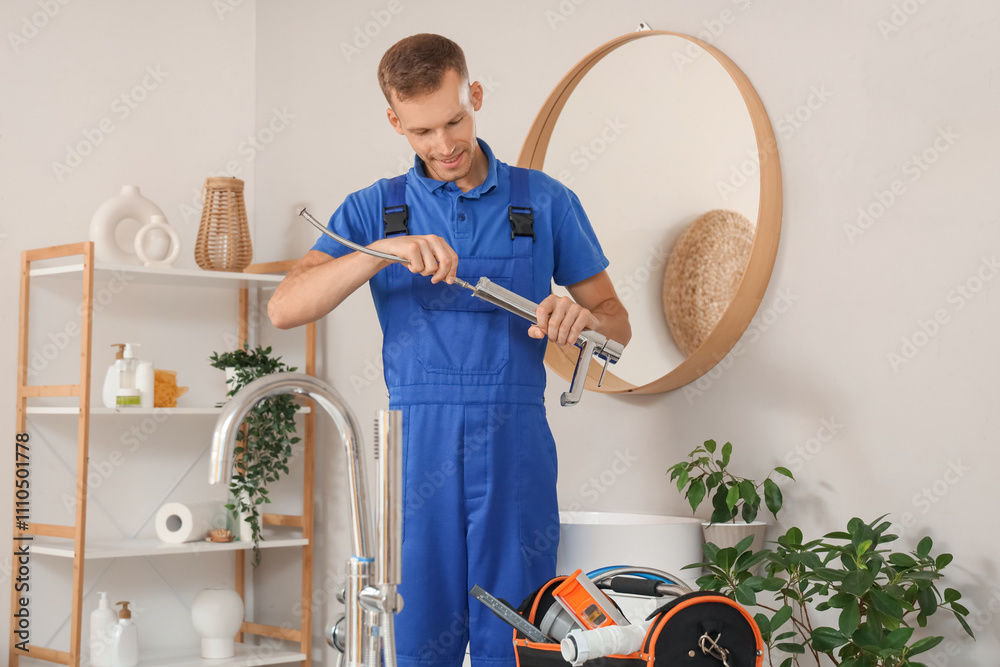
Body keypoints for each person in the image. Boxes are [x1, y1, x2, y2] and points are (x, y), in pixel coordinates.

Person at [269, 33, 630, 667]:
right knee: (415, 646)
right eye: (421, 132)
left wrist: (581, 316)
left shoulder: (543, 201)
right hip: (414, 458)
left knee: (516, 646)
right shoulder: (375, 209)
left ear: (476, 96)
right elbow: (284, 306)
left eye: (455, 120)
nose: (444, 145)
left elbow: (616, 323)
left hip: (516, 451)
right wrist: (382, 251)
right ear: (395, 122)